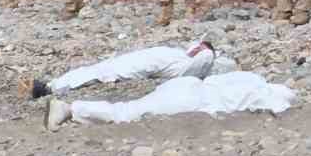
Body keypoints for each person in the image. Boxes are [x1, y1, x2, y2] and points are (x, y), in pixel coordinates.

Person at [41, 42, 294, 130]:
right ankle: (70, 109)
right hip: (191, 101)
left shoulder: (249, 79)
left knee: (131, 107)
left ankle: (71, 107)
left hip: (187, 87)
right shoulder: (265, 97)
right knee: (127, 112)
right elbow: (280, 110)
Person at [19, 39, 238, 99]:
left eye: (202, 49)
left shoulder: (188, 66)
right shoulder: (181, 53)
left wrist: (209, 52)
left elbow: (209, 59)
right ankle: (52, 84)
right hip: (136, 59)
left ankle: (49, 88)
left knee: (102, 74)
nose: (198, 48)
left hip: (140, 67)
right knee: (99, 67)